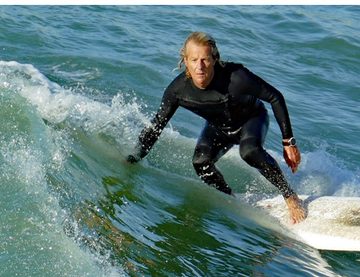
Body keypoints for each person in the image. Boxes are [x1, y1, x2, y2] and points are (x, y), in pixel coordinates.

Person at [129, 31, 306, 223]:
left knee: (249, 152)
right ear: (185, 61)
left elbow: (275, 97)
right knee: (200, 162)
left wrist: (288, 141)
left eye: (205, 59)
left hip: (251, 119)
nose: (200, 66)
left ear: (214, 58)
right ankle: (230, 197)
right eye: (194, 60)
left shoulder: (237, 77)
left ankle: (290, 197)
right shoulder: (178, 91)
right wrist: (133, 158)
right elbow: (156, 126)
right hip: (219, 128)